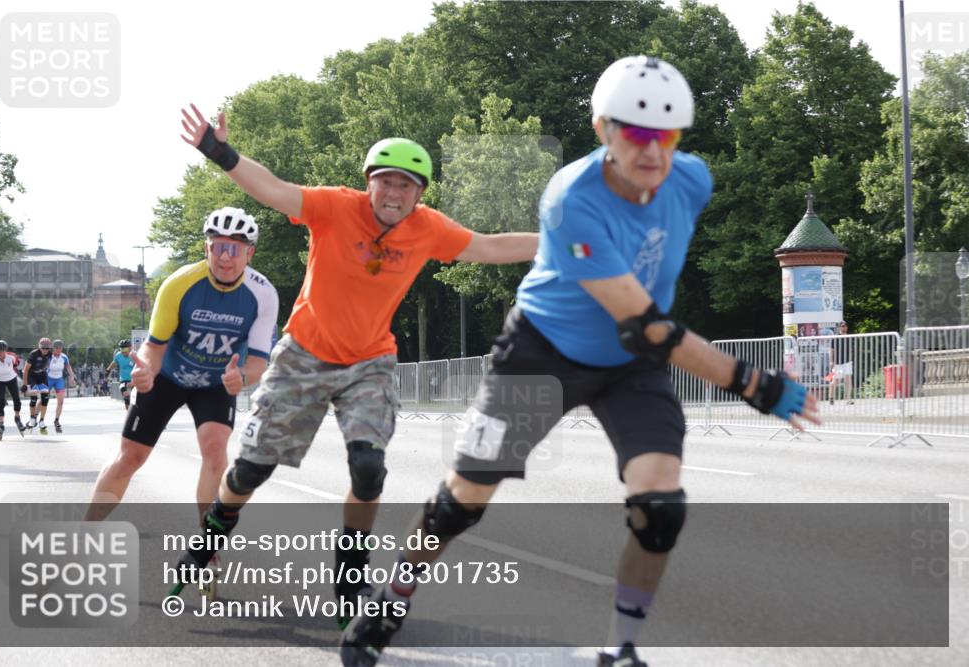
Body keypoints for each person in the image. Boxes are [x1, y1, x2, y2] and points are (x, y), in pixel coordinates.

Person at [338, 56, 821, 667]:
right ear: (603, 129)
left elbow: (647, 319)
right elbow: (649, 324)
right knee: (462, 501)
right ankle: (390, 598)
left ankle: (621, 648)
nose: (652, 153)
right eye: (634, 133)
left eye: (666, 136)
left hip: (629, 367)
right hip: (543, 353)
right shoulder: (571, 199)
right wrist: (752, 382)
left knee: (660, 507)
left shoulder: (693, 179)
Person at [170, 105, 538, 622]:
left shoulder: (427, 228)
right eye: (385, 182)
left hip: (370, 362)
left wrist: (559, 247)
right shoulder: (333, 207)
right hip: (303, 355)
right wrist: (218, 150)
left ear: (420, 194)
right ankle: (208, 542)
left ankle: (349, 573)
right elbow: (273, 189)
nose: (394, 194)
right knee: (252, 469)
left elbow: (487, 246)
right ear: (369, 184)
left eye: (406, 186)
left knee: (368, 469)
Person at [85, 207, 279, 521]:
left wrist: (242, 377)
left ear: (250, 253)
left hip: (217, 382)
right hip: (167, 376)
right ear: (207, 248)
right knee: (130, 457)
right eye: (218, 247)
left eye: (235, 249)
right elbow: (154, 345)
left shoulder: (264, 294)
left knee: (216, 451)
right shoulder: (179, 284)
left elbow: (258, 360)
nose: (226, 258)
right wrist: (146, 370)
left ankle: (207, 546)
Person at [0, 340, 26, 439]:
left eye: (2, 351)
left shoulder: (12, 356)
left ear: (5, 350)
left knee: (17, 399)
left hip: (11, 379)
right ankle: (1, 425)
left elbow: (16, 364)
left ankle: (17, 419)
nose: (0, 353)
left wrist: (9, 371)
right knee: (1, 402)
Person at [21, 337, 53, 434]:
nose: (45, 350)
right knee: (34, 397)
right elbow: (25, 370)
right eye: (43, 348)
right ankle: (32, 419)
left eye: (47, 348)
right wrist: (25, 385)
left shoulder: (50, 354)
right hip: (32, 375)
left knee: (45, 398)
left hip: (42, 375)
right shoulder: (33, 354)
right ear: (39, 347)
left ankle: (42, 421)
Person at [46, 339, 77, 432]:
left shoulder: (64, 357)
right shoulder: (49, 357)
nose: (59, 350)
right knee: (44, 399)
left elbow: (68, 367)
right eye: (57, 348)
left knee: (61, 401)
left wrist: (72, 377)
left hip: (59, 379)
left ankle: (56, 420)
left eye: (60, 348)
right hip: (49, 378)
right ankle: (35, 416)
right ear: (53, 348)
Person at [828, 321, 854, 405]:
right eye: (842, 326)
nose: (844, 327)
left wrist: (850, 359)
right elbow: (831, 350)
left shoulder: (849, 337)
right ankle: (831, 398)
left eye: (845, 326)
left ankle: (848, 399)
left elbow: (850, 349)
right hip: (838, 363)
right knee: (836, 381)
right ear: (839, 327)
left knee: (848, 380)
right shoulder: (835, 337)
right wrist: (831, 361)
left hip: (847, 362)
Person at [106, 341, 135, 409]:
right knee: (126, 397)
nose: (123, 352)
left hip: (134, 379)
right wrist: (108, 370)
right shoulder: (118, 355)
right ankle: (128, 414)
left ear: (130, 348)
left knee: (136, 398)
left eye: (125, 349)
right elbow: (114, 363)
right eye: (121, 349)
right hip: (123, 379)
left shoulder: (134, 356)